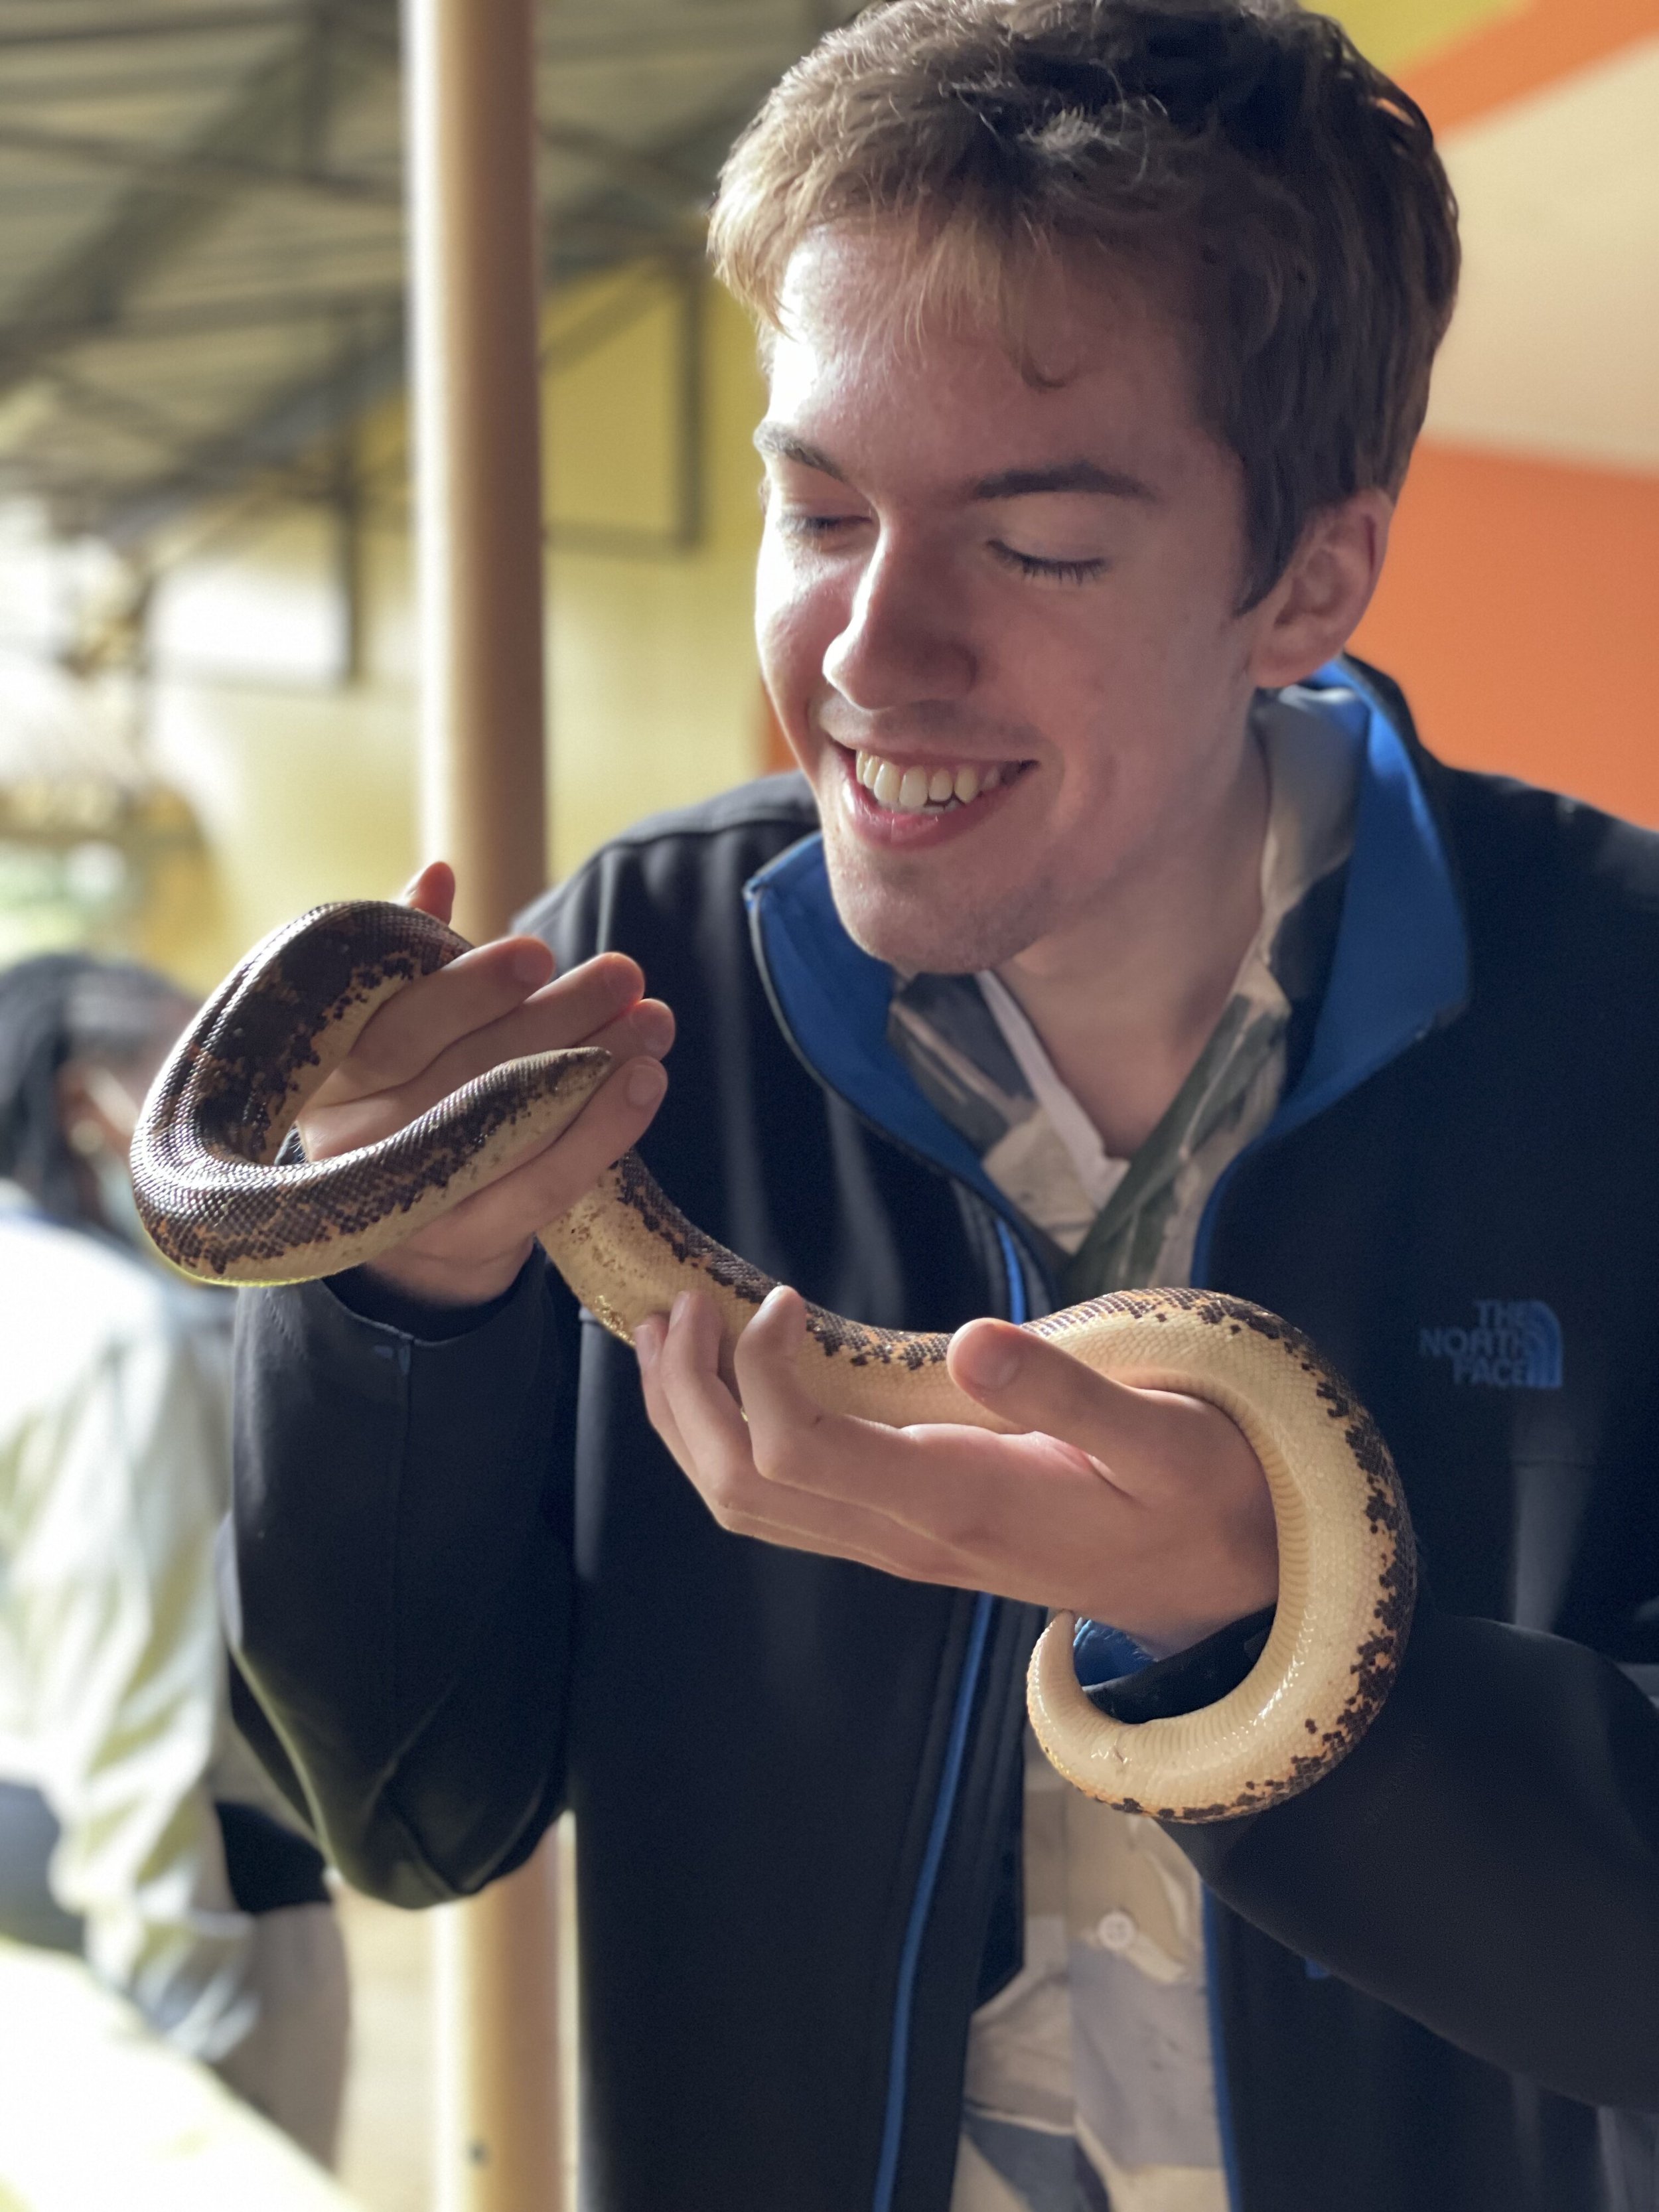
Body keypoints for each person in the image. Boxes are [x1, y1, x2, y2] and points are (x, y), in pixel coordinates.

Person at [226, 3, 1659, 2207]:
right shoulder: (638, 989)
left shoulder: (1616, 1005)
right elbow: (408, 1808)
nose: (875, 656)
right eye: (816, 511)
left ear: (1309, 581)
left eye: (1039, 546)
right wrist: (400, 1300)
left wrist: (1259, 1635)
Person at [0, 952, 349, 2166]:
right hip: (185, 1915)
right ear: (88, 1104)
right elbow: (137, 1713)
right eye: (191, 1069)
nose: (256, 1112)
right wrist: (181, 2023)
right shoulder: (122, 1341)